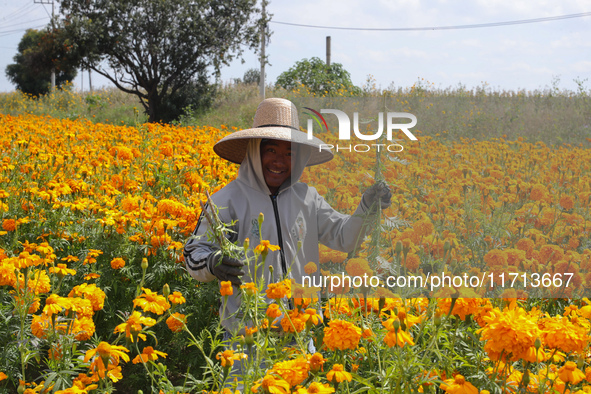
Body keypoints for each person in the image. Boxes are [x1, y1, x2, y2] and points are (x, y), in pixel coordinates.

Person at [183, 98, 391, 333]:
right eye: (271, 150)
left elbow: (344, 238)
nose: (279, 161)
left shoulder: (307, 197)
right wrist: (213, 263)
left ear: (299, 159)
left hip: (301, 333)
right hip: (248, 337)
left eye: (289, 153)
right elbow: (194, 253)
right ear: (254, 151)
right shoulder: (226, 200)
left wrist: (367, 207)